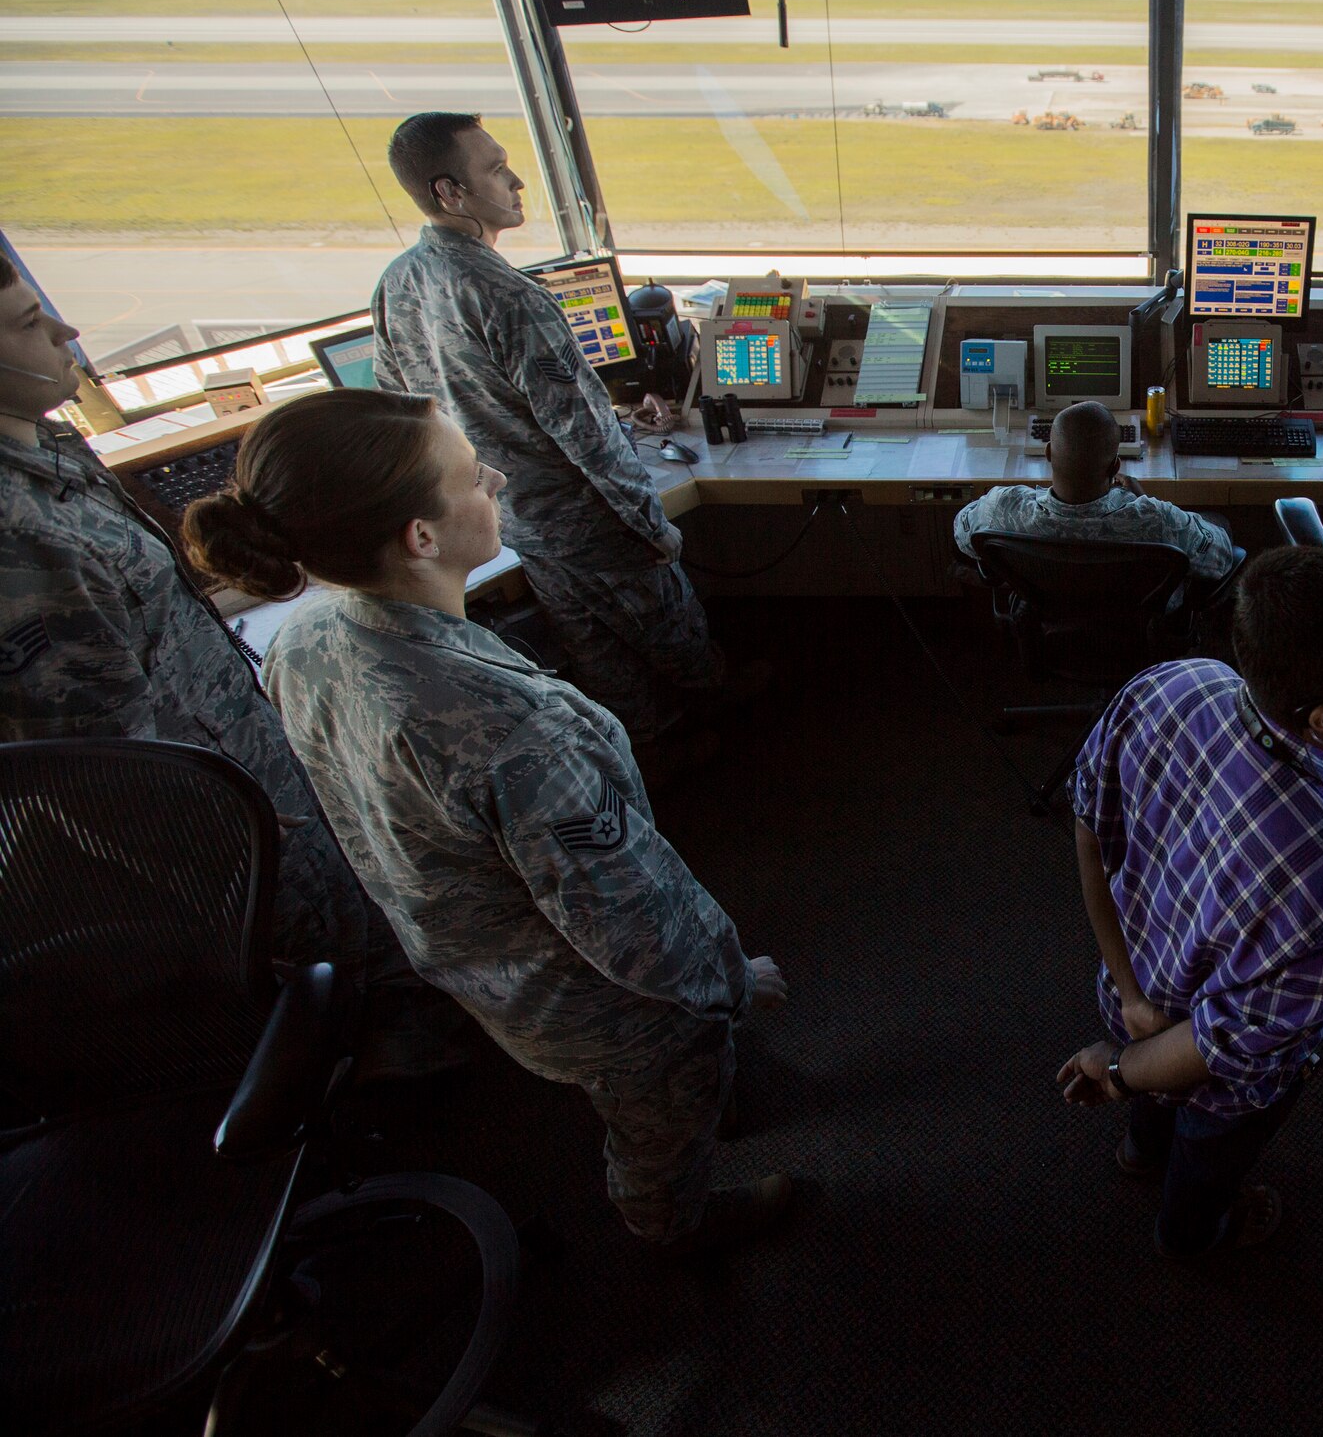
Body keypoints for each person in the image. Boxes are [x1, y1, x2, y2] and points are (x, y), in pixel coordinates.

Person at [182, 388, 797, 1255]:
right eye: (473, 476)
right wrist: (729, 981)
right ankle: (672, 1225)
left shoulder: (308, 636)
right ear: (420, 538)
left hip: (475, 968)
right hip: (606, 1007)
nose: (498, 479)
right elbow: (633, 928)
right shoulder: (512, 732)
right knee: (661, 1116)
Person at [0, 252, 400, 995]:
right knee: (318, 957)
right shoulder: (15, 533)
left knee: (349, 910)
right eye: (29, 322)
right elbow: (93, 757)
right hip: (212, 810)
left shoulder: (42, 443)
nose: (66, 329)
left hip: (237, 752)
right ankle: (384, 1062)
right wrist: (224, 828)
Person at [1056, 547, 1323, 1257]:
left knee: (1152, 1114)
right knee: (1209, 1152)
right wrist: (1122, 1074)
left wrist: (1130, 1006)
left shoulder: (1170, 684)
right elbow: (1223, 1041)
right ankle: (1190, 1233)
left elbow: (1089, 831)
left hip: (1130, 997)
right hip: (1213, 1081)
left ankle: (1138, 1151)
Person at [372, 110, 756, 763]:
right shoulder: (510, 295)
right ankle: (738, 732)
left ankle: (652, 757)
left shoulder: (398, 283)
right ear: (450, 192)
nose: (517, 180)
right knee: (670, 627)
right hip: (585, 518)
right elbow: (583, 434)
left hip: (506, 517)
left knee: (593, 647)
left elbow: (402, 406)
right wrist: (648, 524)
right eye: (495, 169)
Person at [952, 400, 1237, 592]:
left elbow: (963, 535)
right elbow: (1220, 560)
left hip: (1048, 625)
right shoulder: (1157, 520)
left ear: (1049, 453)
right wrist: (1144, 501)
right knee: (1218, 521)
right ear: (1115, 466)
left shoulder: (1004, 506)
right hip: (1136, 634)